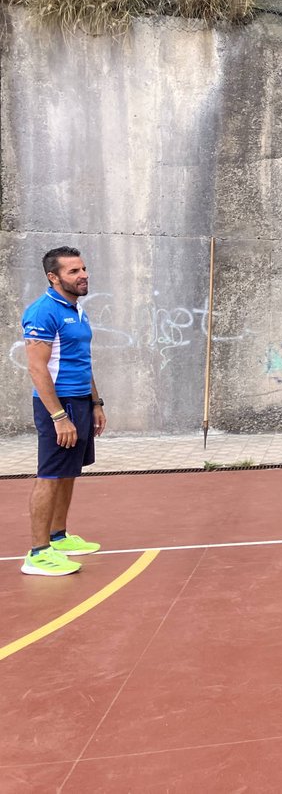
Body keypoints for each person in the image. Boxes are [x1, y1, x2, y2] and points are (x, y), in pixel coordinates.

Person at [20, 247, 106, 577]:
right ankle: (38, 553)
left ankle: (58, 537)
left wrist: (95, 403)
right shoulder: (43, 312)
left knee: (68, 472)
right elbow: (37, 368)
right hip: (59, 404)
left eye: (83, 269)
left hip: (80, 401)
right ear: (53, 278)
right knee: (51, 474)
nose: (83, 275)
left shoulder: (76, 309)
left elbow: (81, 361)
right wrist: (59, 416)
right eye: (73, 272)